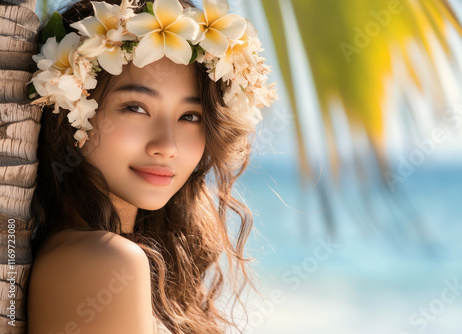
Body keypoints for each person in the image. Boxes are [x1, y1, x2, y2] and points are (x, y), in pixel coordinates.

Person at [26, 0, 277, 333]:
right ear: (72, 107)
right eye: (135, 108)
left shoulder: (81, 250)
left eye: (190, 116)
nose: (167, 146)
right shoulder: (106, 261)